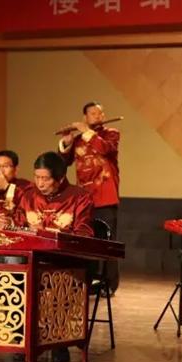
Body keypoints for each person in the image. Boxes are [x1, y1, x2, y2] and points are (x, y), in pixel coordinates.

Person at [14, 151, 93, 362]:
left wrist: (54, 235)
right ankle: (23, 338)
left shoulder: (79, 196)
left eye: (46, 178)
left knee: (56, 280)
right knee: (17, 276)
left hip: (64, 261)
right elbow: (18, 226)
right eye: (37, 177)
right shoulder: (28, 196)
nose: (40, 183)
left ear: (60, 178)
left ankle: (58, 339)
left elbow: (84, 233)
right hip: (33, 258)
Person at [58, 101, 120, 293]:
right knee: (86, 240)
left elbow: (106, 150)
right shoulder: (78, 139)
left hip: (105, 196)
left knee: (108, 242)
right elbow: (63, 162)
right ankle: (88, 280)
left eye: (100, 113)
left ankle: (109, 284)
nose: (98, 116)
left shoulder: (111, 134)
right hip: (85, 198)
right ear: (85, 117)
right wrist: (66, 142)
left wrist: (86, 131)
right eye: (93, 113)